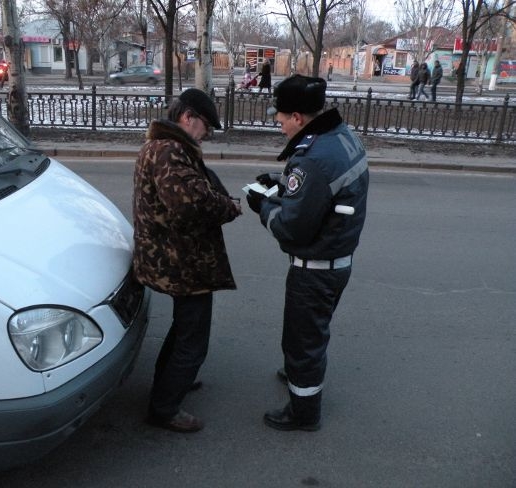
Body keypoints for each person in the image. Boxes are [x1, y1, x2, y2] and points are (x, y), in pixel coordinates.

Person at [245, 74, 369, 431]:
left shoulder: (312, 159)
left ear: (298, 117)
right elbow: (323, 191)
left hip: (315, 269)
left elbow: (292, 227)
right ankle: (300, 374)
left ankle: (304, 412)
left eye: (280, 117)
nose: (278, 123)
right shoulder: (340, 137)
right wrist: (283, 183)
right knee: (311, 333)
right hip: (336, 260)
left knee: (303, 341)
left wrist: (263, 207)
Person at [132, 88, 242, 433]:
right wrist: (229, 206)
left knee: (184, 329)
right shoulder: (170, 151)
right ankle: (164, 408)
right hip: (181, 261)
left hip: (173, 255)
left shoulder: (164, 147)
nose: (207, 132)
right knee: (193, 338)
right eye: (205, 125)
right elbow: (190, 205)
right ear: (187, 117)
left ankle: (172, 383)